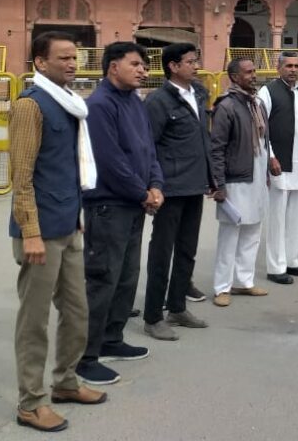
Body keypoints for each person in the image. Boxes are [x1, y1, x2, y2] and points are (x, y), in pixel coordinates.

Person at [9, 32, 105, 432]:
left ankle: (65, 382)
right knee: (34, 320)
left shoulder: (69, 102)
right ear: (39, 62)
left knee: (77, 311)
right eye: (63, 57)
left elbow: (69, 168)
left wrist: (76, 215)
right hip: (41, 231)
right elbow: (22, 176)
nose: (72, 63)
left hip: (68, 224)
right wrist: (30, 232)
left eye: (75, 57)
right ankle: (31, 403)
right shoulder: (30, 106)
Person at [77, 42, 163, 386]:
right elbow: (110, 161)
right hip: (109, 206)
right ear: (113, 67)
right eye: (136, 64)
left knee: (127, 276)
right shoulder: (99, 105)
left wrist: (156, 184)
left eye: (144, 65)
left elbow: (149, 150)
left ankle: (112, 339)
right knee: (102, 279)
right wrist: (143, 194)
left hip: (134, 203)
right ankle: (85, 356)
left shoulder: (135, 102)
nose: (143, 70)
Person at [141, 42, 211, 340]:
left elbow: (203, 139)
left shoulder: (198, 94)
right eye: (190, 62)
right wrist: (153, 185)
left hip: (195, 184)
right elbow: (148, 146)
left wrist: (212, 178)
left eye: (196, 61)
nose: (196, 66)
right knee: (162, 251)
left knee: (187, 249)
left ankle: (178, 307)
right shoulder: (158, 101)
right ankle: (153, 316)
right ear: (173, 66)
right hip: (170, 187)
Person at [210, 57, 270, 306]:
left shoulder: (256, 103)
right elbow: (216, 148)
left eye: (254, 71)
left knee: (253, 229)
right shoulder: (226, 106)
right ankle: (222, 287)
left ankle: (244, 281)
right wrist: (219, 184)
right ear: (234, 77)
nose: (253, 75)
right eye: (248, 72)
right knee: (230, 233)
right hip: (236, 178)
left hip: (257, 175)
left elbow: (265, 141)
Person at [258, 51, 298, 284]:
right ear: (279, 68)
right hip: (280, 163)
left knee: (295, 217)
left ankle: (292, 260)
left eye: (296, 66)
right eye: (288, 66)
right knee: (277, 218)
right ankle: (276, 267)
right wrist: (270, 156)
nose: (293, 70)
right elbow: (261, 129)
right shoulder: (268, 91)